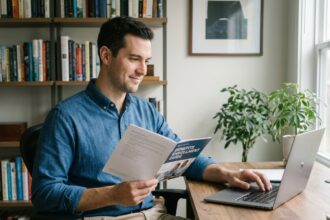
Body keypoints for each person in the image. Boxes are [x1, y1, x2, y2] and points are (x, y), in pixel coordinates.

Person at [32, 17, 272, 219]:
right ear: (106, 56)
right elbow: (45, 194)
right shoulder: (65, 117)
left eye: (146, 61)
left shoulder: (145, 110)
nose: (143, 70)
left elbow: (182, 155)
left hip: (152, 213)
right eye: (134, 59)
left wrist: (228, 174)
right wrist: (112, 194)